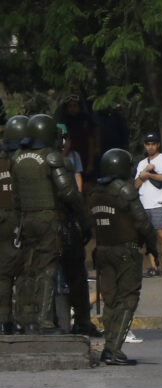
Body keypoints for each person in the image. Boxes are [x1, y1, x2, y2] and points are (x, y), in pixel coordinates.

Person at [10, 114, 92, 334]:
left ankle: (23, 317)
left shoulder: (17, 158)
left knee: (29, 268)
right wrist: (84, 221)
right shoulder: (52, 157)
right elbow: (68, 193)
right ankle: (45, 320)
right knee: (49, 268)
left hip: (27, 219)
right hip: (51, 220)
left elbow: (16, 197)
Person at [88, 148, 158, 365]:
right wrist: (152, 247)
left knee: (110, 301)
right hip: (125, 252)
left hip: (103, 251)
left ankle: (108, 347)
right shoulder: (124, 190)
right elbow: (143, 222)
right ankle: (114, 350)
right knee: (128, 299)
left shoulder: (96, 192)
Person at [0, 115, 27, 334]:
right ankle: (24, 319)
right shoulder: (27, 163)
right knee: (25, 271)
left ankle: (4, 319)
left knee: (3, 274)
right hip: (21, 221)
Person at [134, 132, 162, 277]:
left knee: (161, 234)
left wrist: (149, 174)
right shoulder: (142, 163)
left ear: (158, 145)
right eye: (148, 144)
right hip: (144, 203)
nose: (150, 147)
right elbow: (136, 184)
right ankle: (153, 266)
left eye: (153, 144)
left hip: (159, 202)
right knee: (148, 236)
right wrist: (144, 172)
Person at [55, 95, 98, 191]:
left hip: (85, 155)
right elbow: (64, 141)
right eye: (70, 106)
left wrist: (90, 163)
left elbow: (91, 141)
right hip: (69, 156)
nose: (72, 108)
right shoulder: (63, 121)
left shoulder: (86, 119)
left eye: (75, 106)